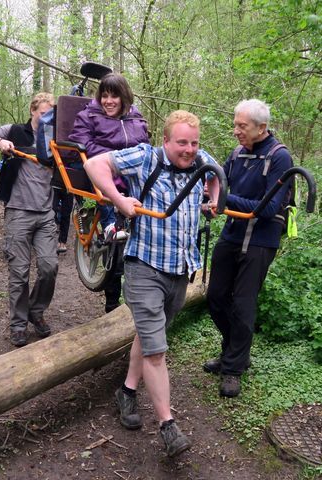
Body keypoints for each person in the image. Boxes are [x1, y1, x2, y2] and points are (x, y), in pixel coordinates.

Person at [84, 110, 220, 458]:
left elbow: (217, 174)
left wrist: (213, 199)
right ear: (165, 140)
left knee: (149, 337)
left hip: (180, 271)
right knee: (157, 350)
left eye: (194, 142)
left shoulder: (201, 159)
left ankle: (127, 391)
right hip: (145, 266)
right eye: (181, 143)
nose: (189, 149)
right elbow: (94, 166)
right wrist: (119, 200)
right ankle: (167, 425)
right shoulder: (146, 156)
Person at [204, 99, 293, 398]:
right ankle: (236, 351)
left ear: (261, 128)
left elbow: (267, 209)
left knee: (243, 305)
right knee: (215, 296)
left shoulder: (280, 158)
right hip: (232, 233)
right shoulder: (236, 153)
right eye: (235, 124)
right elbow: (221, 186)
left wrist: (226, 201)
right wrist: (211, 199)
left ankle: (233, 368)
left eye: (242, 126)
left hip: (260, 241)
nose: (235, 131)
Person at [0, 93, 58, 347]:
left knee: (49, 267)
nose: (46, 118)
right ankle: (18, 324)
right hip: (18, 212)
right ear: (32, 111)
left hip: (46, 213)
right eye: (43, 113)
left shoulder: (55, 139)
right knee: (19, 272)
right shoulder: (16, 132)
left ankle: (36, 311)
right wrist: (0, 142)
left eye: (51, 114)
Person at [69, 72, 149, 313]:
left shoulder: (136, 118)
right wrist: (115, 157)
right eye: (104, 96)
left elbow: (145, 146)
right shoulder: (89, 116)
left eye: (114, 96)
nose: (109, 101)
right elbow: (82, 143)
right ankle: (112, 303)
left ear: (124, 97)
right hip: (105, 171)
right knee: (115, 229)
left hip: (133, 174)